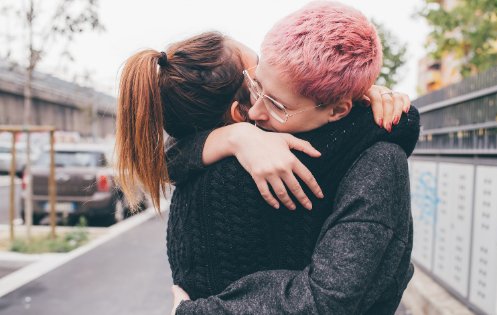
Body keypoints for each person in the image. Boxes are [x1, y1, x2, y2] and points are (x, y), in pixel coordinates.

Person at [114, 2, 417, 315]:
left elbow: (168, 160)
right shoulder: (353, 160)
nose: (259, 107)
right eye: (256, 83)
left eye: (273, 98)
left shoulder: (192, 173)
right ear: (238, 112)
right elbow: (327, 298)